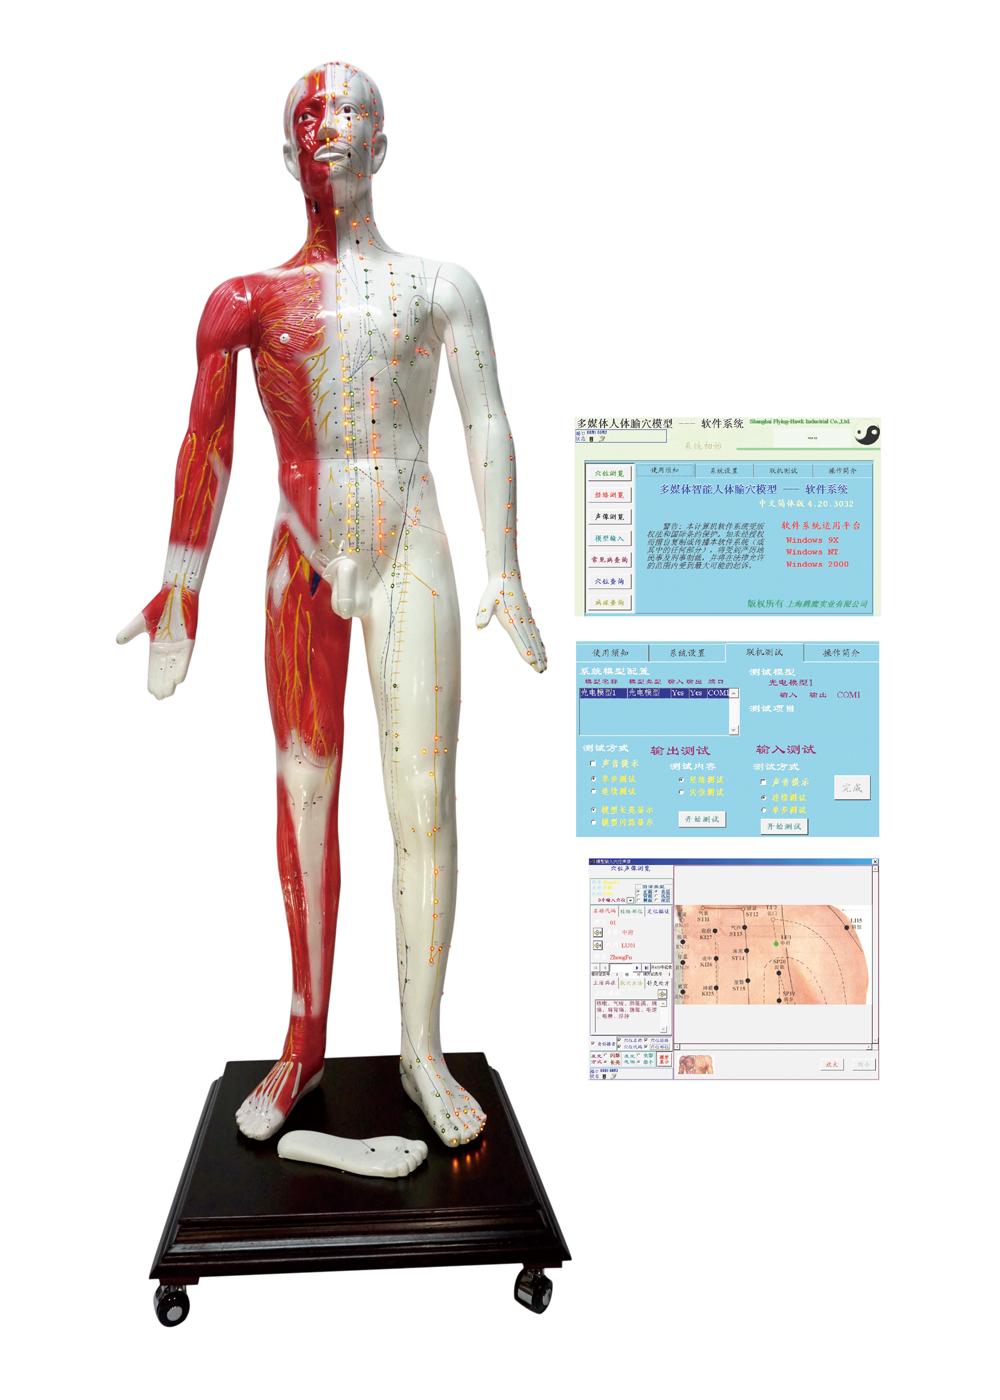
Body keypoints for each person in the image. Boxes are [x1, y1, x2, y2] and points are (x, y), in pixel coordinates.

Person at [118, 61, 545, 1147]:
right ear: (287, 153)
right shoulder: (245, 301)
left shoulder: (441, 287)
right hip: (301, 559)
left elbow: (486, 420)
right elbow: (206, 437)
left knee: (424, 803)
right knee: (306, 794)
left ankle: (420, 1048)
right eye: (311, 114)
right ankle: (304, 1040)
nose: (331, 124)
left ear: (383, 146)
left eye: (352, 111)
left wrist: (504, 565)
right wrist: (179, 583)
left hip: (410, 545)